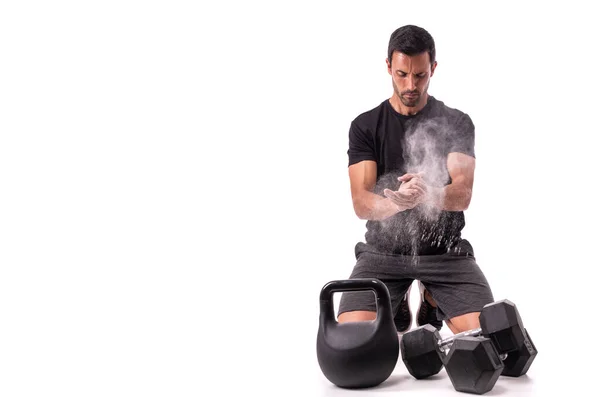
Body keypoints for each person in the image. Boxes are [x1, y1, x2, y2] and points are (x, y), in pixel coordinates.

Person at [337, 25, 494, 335]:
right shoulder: (365, 126)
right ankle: (391, 303)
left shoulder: (457, 122)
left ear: (432, 68)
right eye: (401, 74)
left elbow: (462, 193)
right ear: (388, 67)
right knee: (351, 344)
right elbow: (361, 202)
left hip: (445, 254)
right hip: (382, 254)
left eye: (420, 75)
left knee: (486, 341)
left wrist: (427, 195)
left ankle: (432, 298)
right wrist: (398, 201)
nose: (411, 85)